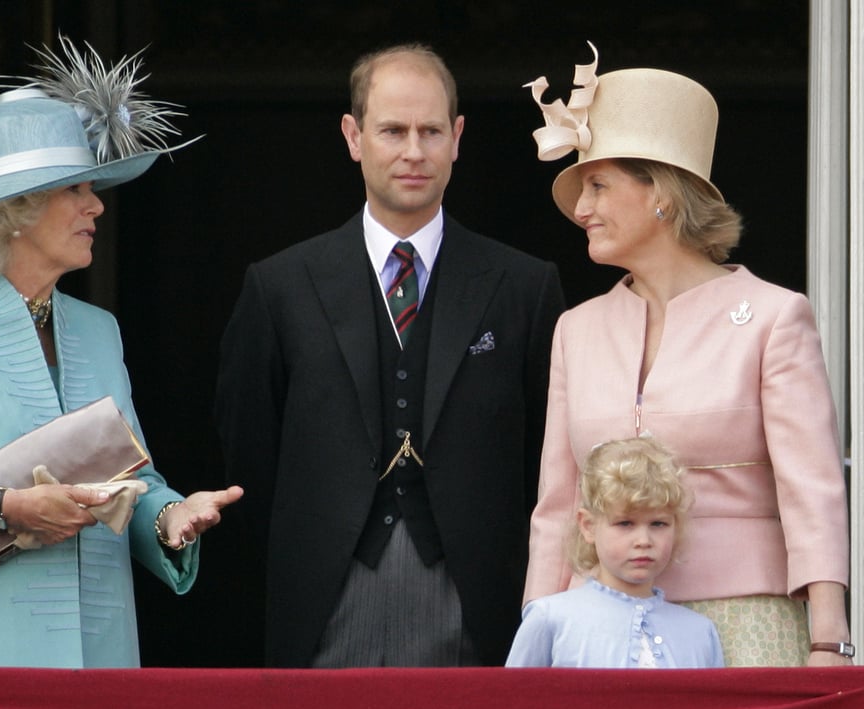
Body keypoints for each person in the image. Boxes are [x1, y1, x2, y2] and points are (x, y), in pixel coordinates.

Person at [0, 38, 242, 668]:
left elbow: (129, 478)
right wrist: (6, 507)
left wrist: (171, 516)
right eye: (76, 190)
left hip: (97, 650)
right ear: (13, 213)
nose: (96, 206)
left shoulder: (98, 330)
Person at [215, 43, 565, 668]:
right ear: (353, 136)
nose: (413, 151)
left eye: (431, 131)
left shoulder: (524, 287)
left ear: (458, 138)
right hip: (322, 599)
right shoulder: (280, 286)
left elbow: (548, 455)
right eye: (392, 131)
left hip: (483, 603)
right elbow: (250, 457)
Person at [521, 43, 852, 666]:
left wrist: (828, 641)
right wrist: (539, 631)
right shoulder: (577, 329)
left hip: (745, 623)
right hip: (601, 629)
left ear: (661, 194)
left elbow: (813, 491)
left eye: (598, 185)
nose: (582, 209)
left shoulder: (776, 317)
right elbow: (558, 505)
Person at [506, 436, 724, 668]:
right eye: (625, 524)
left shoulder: (700, 632)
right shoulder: (550, 618)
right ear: (588, 526)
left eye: (658, 524)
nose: (643, 540)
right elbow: (513, 701)